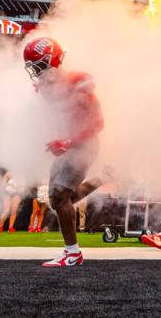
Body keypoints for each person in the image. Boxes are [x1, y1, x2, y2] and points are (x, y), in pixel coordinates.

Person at [23, 37, 106, 268]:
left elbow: (98, 123)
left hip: (84, 145)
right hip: (69, 145)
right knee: (58, 199)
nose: (36, 72)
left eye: (39, 65)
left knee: (60, 196)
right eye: (33, 67)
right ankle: (103, 178)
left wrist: (70, 142)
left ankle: (73, 253)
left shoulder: (77, 82)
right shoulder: (49, 88)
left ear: (53, 60)